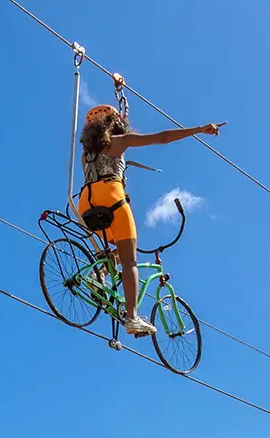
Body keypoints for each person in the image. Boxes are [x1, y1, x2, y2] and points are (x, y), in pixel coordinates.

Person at [75, 104, 222, 336]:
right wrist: (199, 129)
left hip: (86, 203)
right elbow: (161, 138)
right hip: (112, 197)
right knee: (129, 260)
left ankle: (99, 273)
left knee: (114, 246)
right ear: (113, 123)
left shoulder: (85, 155)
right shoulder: (119, 142)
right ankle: (132, 317)